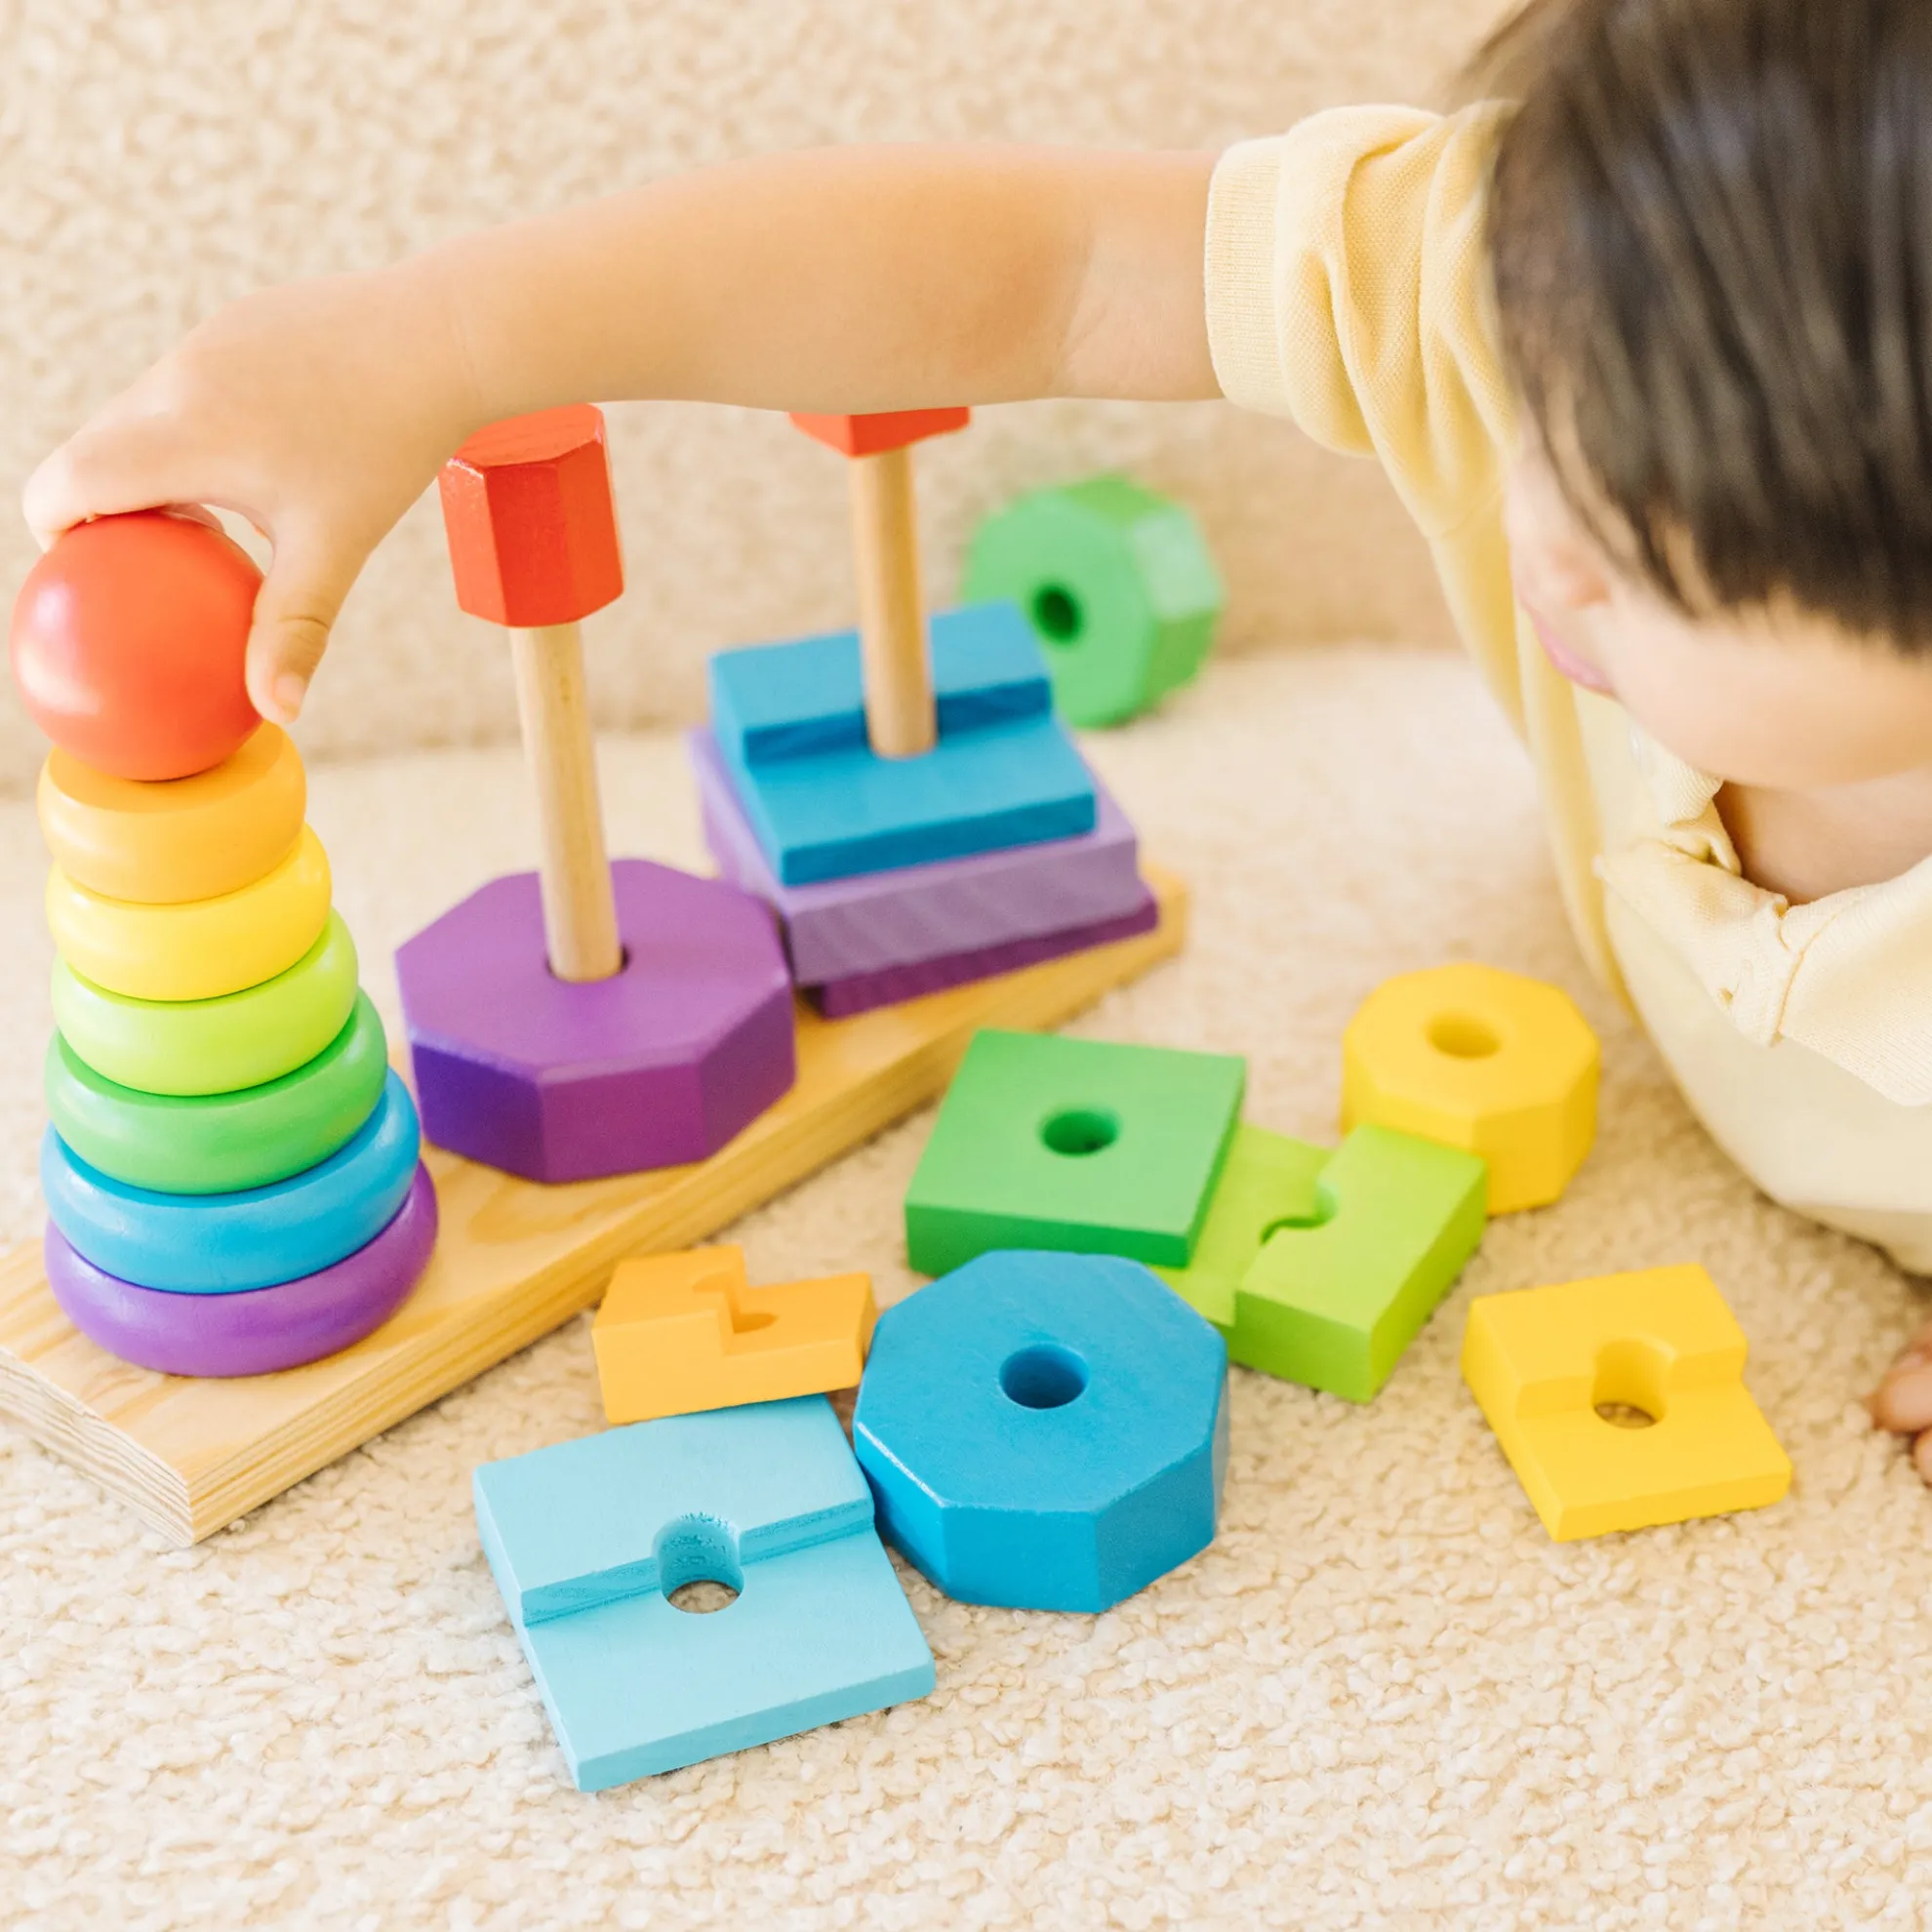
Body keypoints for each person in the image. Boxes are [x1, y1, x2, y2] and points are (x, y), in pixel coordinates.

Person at [28, 0, 1932, 1470]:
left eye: (1649, 551)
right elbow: (1064, 263)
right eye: (1539, 415)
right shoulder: (1582, 266)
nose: (1534, 534)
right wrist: (440, 339)